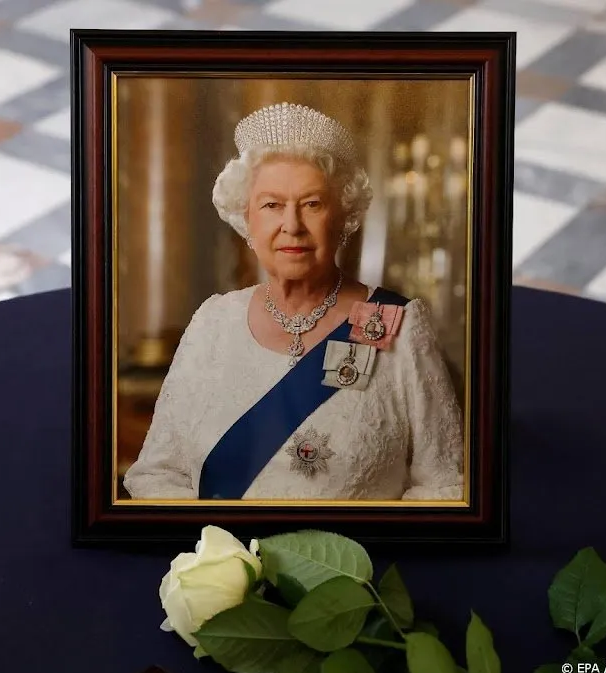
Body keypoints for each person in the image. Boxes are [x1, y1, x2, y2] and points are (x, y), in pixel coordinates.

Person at [123, 102, 464, 501]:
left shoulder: (395, 324)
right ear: (246, 218)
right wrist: (223, 558)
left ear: (343, 217)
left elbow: (444, 486)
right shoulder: (213, 321)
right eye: (272, 205)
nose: (292, 225)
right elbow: (156, 475)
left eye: (312, 204)